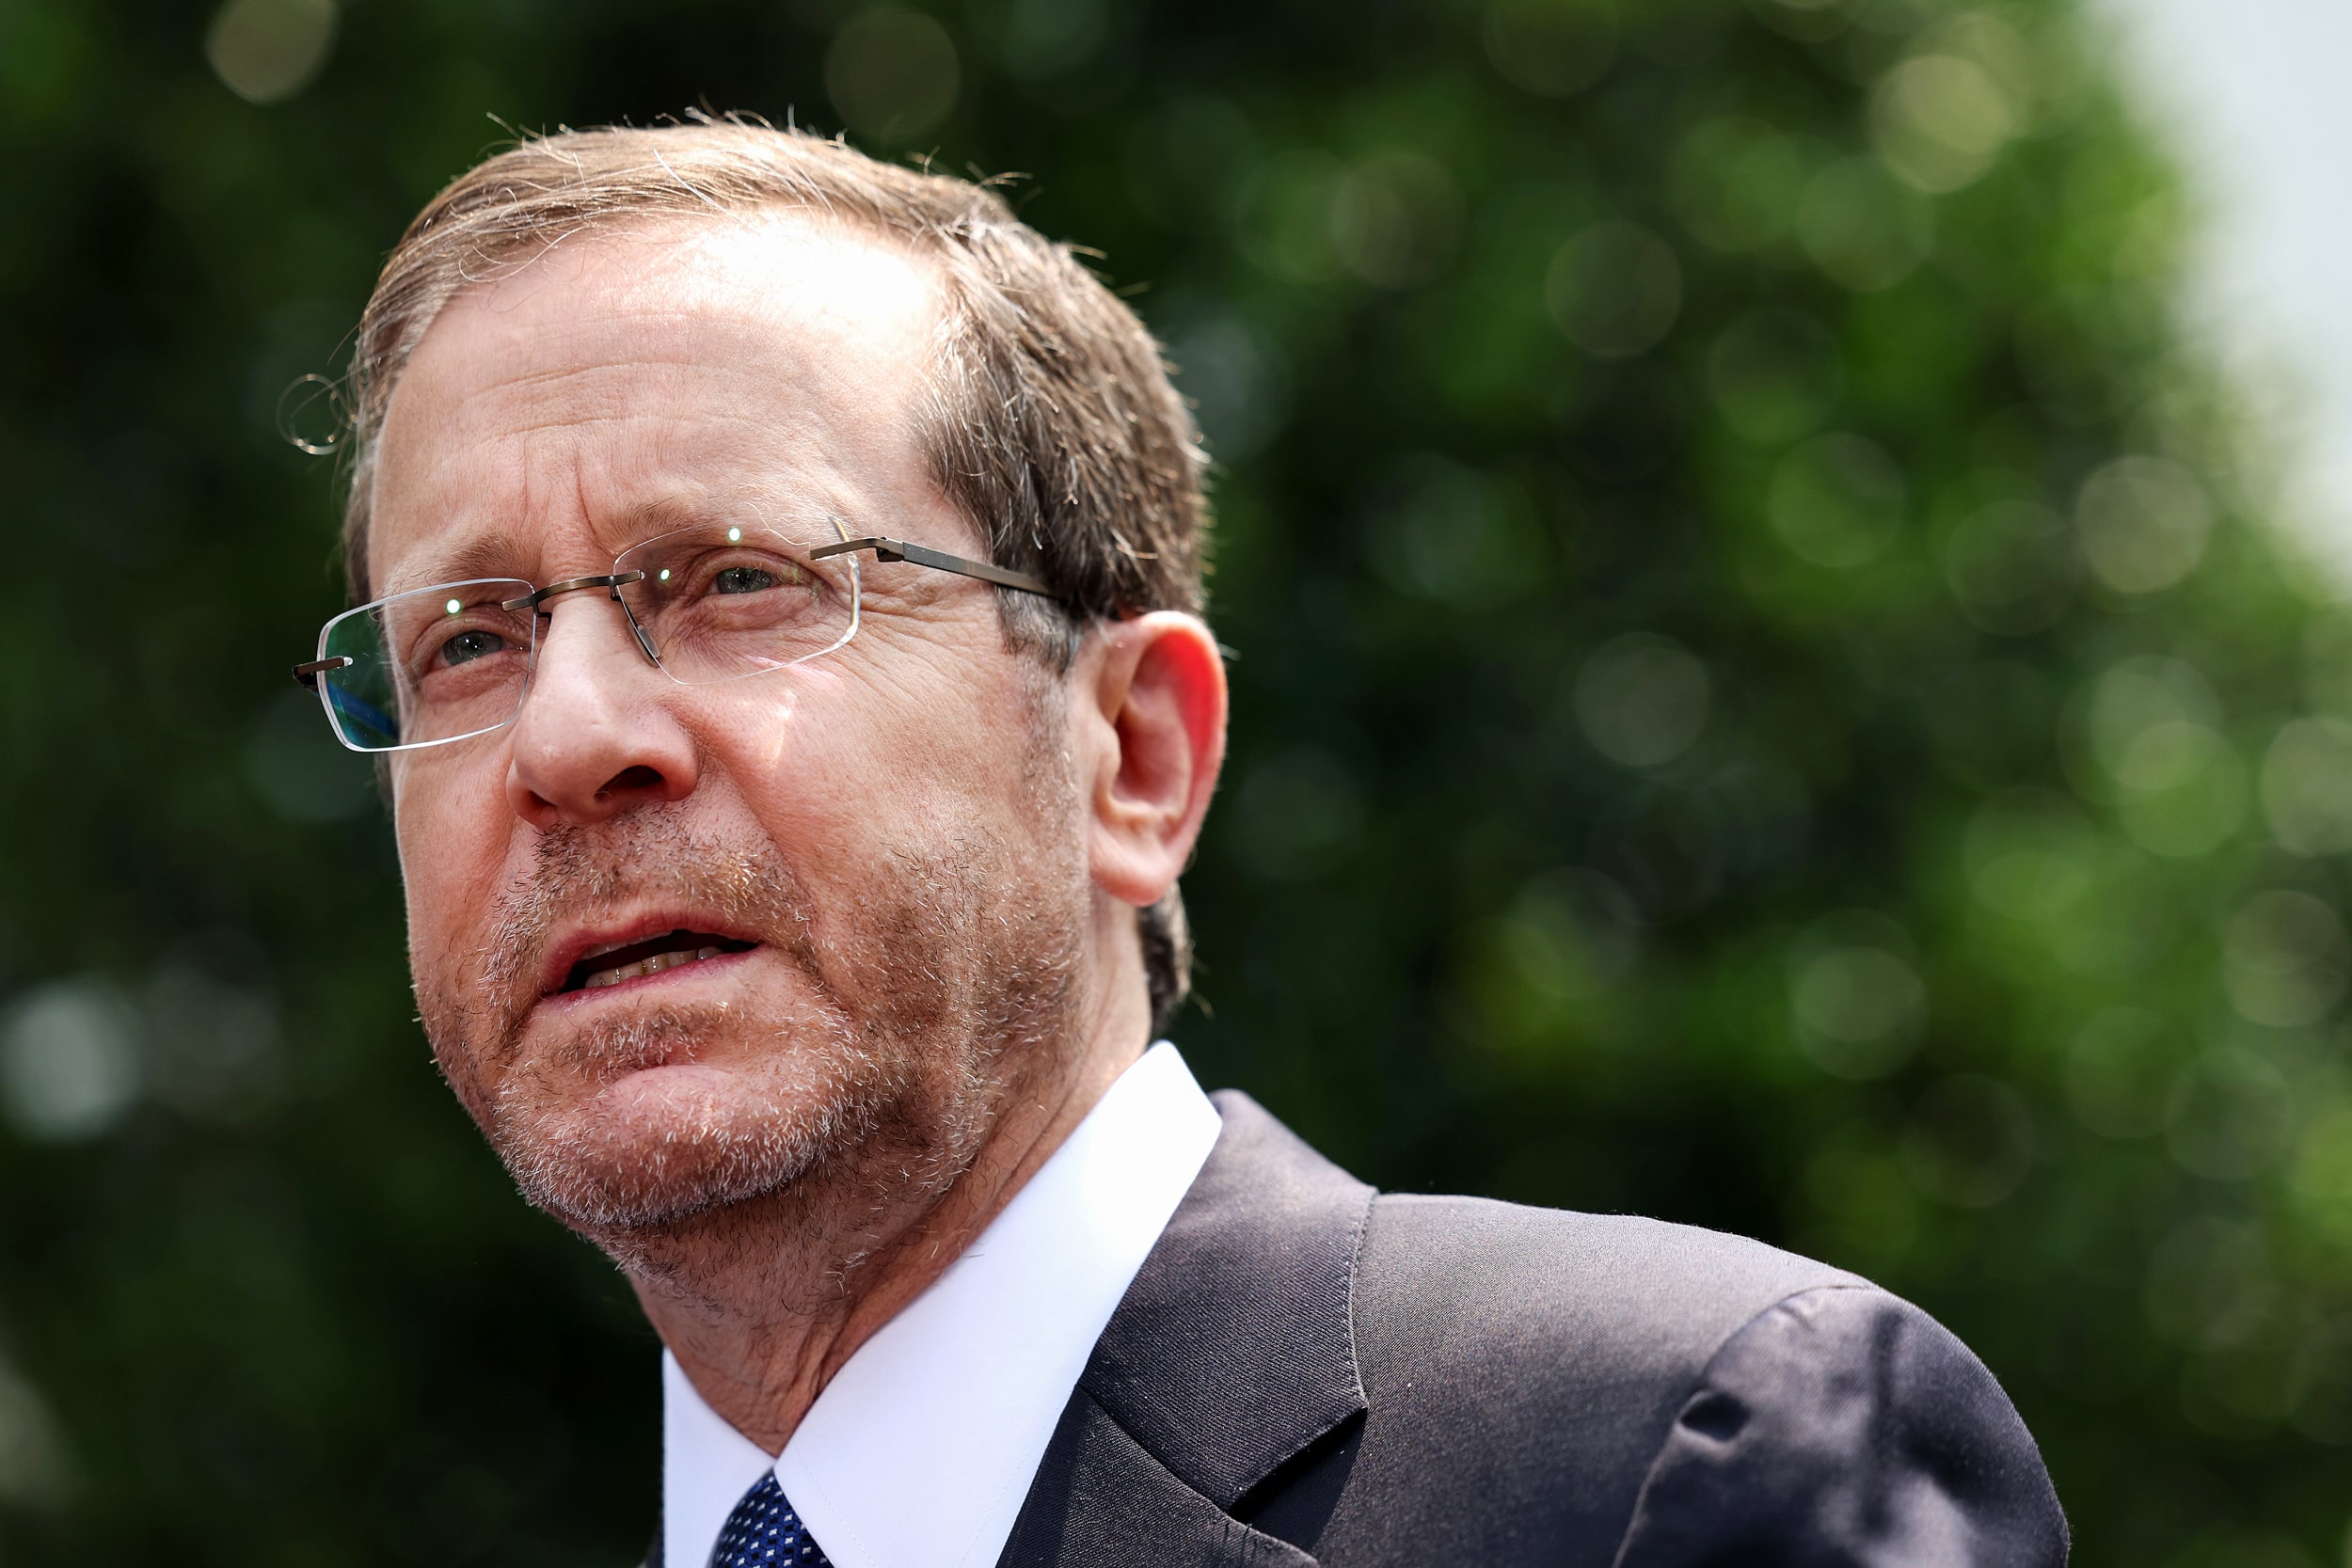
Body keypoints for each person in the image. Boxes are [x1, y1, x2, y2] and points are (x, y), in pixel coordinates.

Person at [292, 119, 2067, 1568]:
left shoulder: (1663, 1464)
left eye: (743, 580)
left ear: (1131, 754)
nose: (573, 736)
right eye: (469, 638)